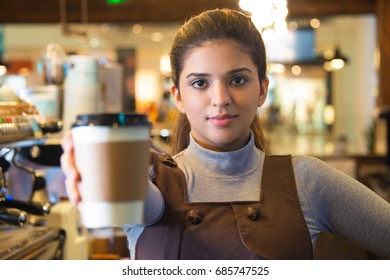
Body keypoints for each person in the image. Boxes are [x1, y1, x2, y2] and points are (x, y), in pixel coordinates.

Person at [61, 8, 390, 260]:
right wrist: (94, 164)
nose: (220, 99)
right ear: (178, 96)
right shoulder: (151, 181)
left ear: (262, 90)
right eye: (200, 83)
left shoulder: (306, 179)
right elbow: (142, 202)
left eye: (237, 80)